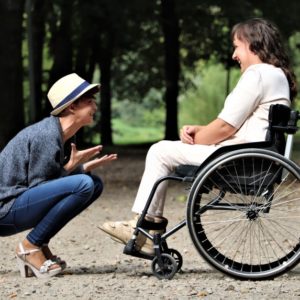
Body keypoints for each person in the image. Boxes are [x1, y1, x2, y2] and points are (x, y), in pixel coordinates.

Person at [99, 18, 297, 255]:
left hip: (241, 159)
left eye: (236, 46)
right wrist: (201, 129)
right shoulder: (277, 76)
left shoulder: (257, 74)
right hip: (255, 155)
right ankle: (146, 227)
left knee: (160, 151)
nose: (234, 55)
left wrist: (196, 138)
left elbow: (225, 128)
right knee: (165, 150)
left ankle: (143, 229)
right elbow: (238, 125)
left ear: (252, 43)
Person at [0, 73, 117, 278]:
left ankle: (40, 243)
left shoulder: (55, 134)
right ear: (72, 107)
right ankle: (30, 246)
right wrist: (74, 169)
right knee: (83, 184)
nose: (95, 108)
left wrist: (76, 167)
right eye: (90, 102)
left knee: (94, 183)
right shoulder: (46, 135)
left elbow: (43, 185)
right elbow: (39, 187)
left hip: (15, 204)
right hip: (5, 210)